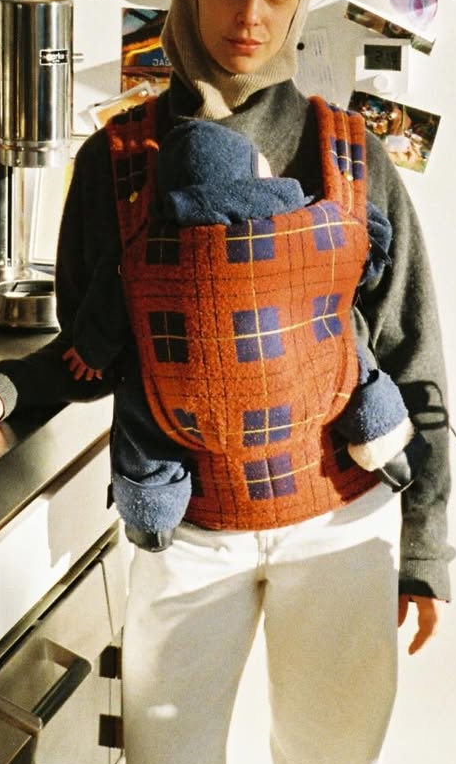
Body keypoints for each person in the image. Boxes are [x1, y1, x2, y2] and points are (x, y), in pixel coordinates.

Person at [0, 0, 452, 764]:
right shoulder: (119, 160)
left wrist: (427, 545)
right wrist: (5, 387)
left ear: (299, 3)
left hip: (341, 520)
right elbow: (101, 345)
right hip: (189, 525)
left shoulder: (353, 151)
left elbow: (415, 360)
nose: (251, 13)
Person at [62, 115, 419, 551]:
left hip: (187, 412)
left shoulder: (143, 247)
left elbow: (105, 308)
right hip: (331, 461)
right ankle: (384, 440)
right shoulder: (309, 213)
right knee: (350, 352)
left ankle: (150, 514)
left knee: (142, 417)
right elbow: (367, 241)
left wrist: (89, 352)